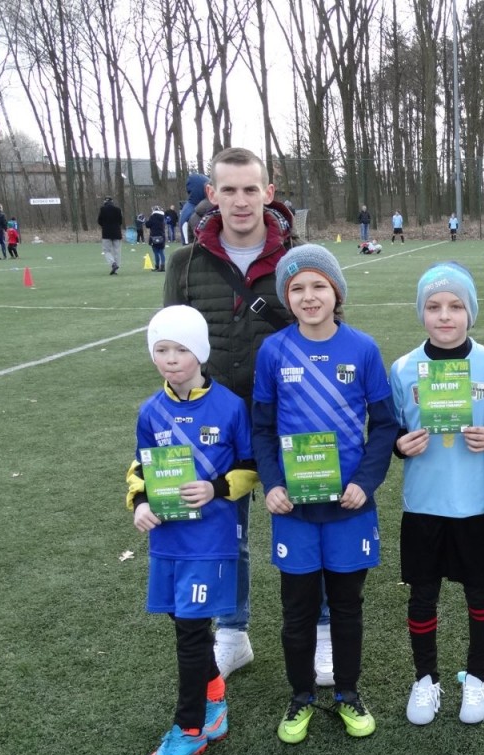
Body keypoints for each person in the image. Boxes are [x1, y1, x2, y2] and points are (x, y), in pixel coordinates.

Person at [164, 147, 336, 683]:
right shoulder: (184, 263)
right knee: (225, 533)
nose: (241, 201)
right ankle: (233, 635)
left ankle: (323, 632)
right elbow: (172, 343)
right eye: (229, 190)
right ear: (211, 194)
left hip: (293, 417)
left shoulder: (300, 256)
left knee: (310, 526)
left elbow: (329, 329)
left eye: (250, 189)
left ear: (269, 192)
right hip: (215, 424)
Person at [253, 245, 397, 744]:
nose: (309, 296)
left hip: (349, 507)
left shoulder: (363, 349)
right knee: (296, 610)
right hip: (294, 510)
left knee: (347, 606)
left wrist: (365, 482)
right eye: (297, 288)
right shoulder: (273, 351)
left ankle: (348, 692)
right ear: (286, 297)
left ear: (337, 291)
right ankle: (300, 697)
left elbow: (384, 425)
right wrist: (273, 484)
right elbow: (262, 429)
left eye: (319, 285)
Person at [127, 305, 257, 755]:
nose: (170, 359)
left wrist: (216, 488)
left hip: (210, 539)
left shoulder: (230, 406)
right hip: (168, 539)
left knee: (189, 631)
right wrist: (140, 503)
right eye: (161, 349)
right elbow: (139, 467)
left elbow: (250, 467)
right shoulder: (150, 411)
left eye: (180, 349)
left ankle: (189, 728)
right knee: (185, 625)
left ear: (199, 352)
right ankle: (215, 699)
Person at [390, 263, 484, 725]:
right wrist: (400, 444)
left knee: (479, 592)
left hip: (475, 502)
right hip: (423, 503)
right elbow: (390, 429)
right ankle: (425, 680)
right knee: (423, 595)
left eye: (456, 306)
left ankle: (477, 678)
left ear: (470, 312)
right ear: (421, 312)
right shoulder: (403, 368)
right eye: (434, 306)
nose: (444, 315)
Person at [179, 174, 209, 244]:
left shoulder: (198, 207)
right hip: (195, 250)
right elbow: (187, 244)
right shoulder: (190, 212)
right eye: (207, 188)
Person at [98, 197, 124, 275]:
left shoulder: (102, 209)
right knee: (117, 251)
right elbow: (120, 221)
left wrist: (105, 226)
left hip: (106, 233)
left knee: (106, 250)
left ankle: (113, 263)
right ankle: (115, 270)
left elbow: (99, 221)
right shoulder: (118, 210)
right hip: (117, 233)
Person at [147, 205, 168, 272]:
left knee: (156, 252)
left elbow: (148, 225)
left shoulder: (152, 217)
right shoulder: (162, 217)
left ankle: (157, 266)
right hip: (162, 236)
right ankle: (162, 266)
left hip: (154, 236)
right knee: (161, 252)